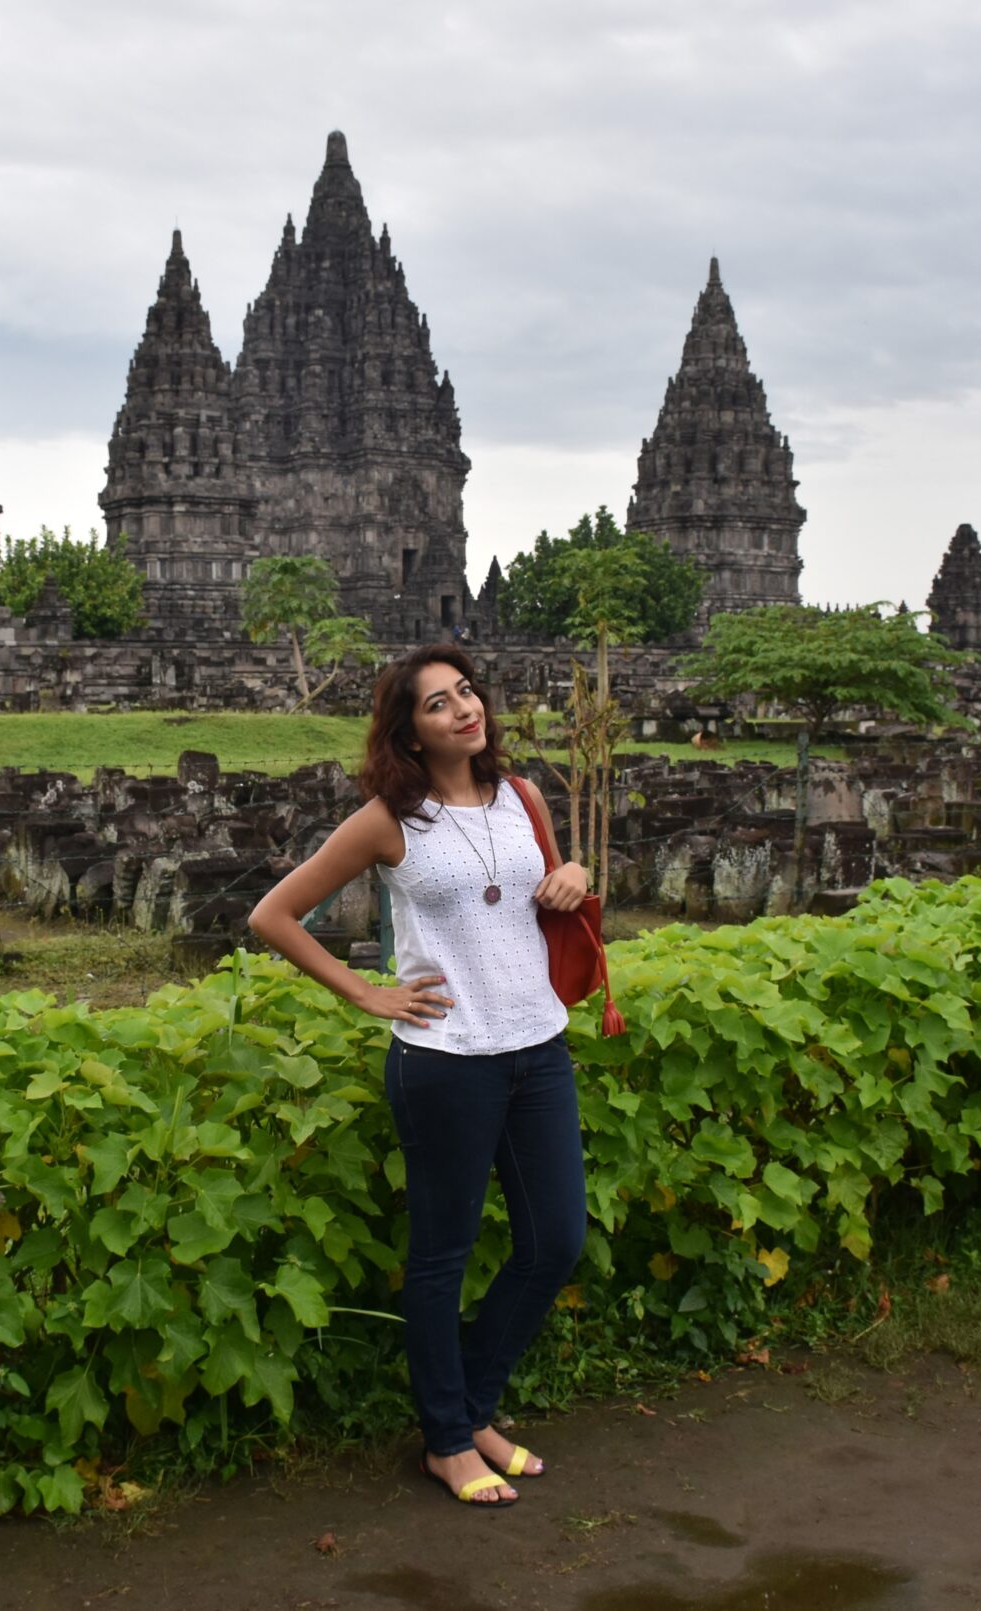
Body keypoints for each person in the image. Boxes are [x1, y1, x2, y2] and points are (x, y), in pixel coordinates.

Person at [249, 642, 592, 1508]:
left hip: (536, 1046)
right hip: (445, 1060)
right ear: (408, 730)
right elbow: (274, 914)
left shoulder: (523, 797)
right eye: (438, 703)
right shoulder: (390, 818)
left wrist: (576, 875)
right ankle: (448, 1438)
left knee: (556, 1240)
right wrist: (367, 991)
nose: (463, 709)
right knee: (441, 1255)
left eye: (468, 691)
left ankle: (471, 1408)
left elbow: (551, 890)